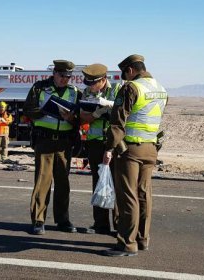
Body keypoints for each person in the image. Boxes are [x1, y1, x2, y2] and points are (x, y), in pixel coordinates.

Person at [102, 54, 168, 256]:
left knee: (127, 196)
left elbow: (118, 121)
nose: (125, 79)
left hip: (130, 149)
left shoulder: (132, 87)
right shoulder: (161, 89)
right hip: (150, 148)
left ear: (130, 70)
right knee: (144, 194)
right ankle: (142, 239)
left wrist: (109, 148)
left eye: (125, 74)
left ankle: (127, 243)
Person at [23, 59, 82, 235]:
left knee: (63, 183)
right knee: (42, 181)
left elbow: (80, 117)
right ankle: (38, 220)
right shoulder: (39, 88)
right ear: (55, 73)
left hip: (65, 142)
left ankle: (63, 220)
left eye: (69, 76)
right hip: (45, 140)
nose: (65, 79)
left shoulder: (75, 92)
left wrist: (72, 118)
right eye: (62, 75)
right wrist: (46, 110)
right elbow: (27, 110)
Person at [79, 63, 121, 235]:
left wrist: (109, 106)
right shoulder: (87, 92)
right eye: (87, 83)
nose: (89, 87)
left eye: (93, 83)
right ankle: (100, 225)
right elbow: (82, 118)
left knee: (116, 184)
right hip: (95, 143)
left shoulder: (117, 89)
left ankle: (119, 226)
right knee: (98, 183)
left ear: (103, 80)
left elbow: (123, 112)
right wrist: (96, 114)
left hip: (114, 143)